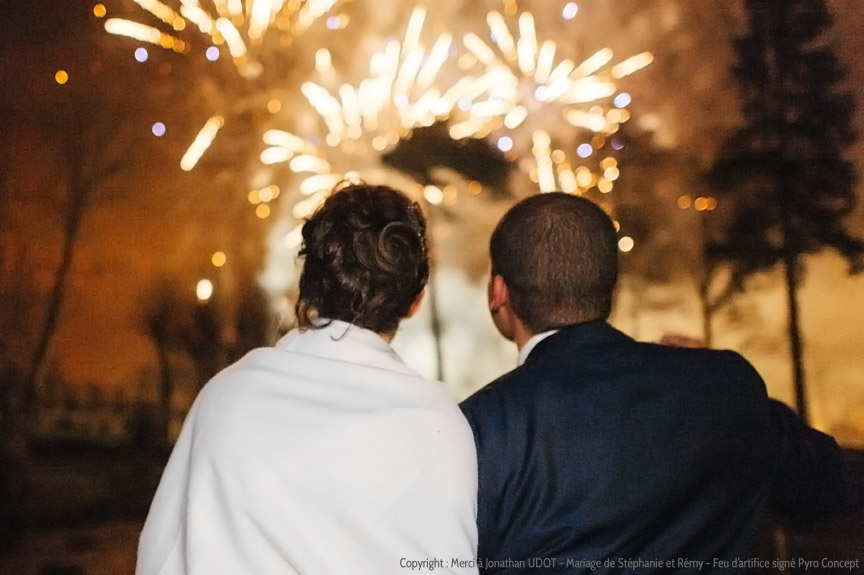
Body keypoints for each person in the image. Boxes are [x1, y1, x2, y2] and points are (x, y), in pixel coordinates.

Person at [460, 193, 853, 574]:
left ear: (499, 293)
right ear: (608, 285)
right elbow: (828, 484)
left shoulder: (481, 427)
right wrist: (720, 382)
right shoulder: (724, 385)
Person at [137, 182, 479, 575]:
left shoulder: (225, 396)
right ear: (415, 302)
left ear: (307, 283)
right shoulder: (439, 423)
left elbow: (160, 557)